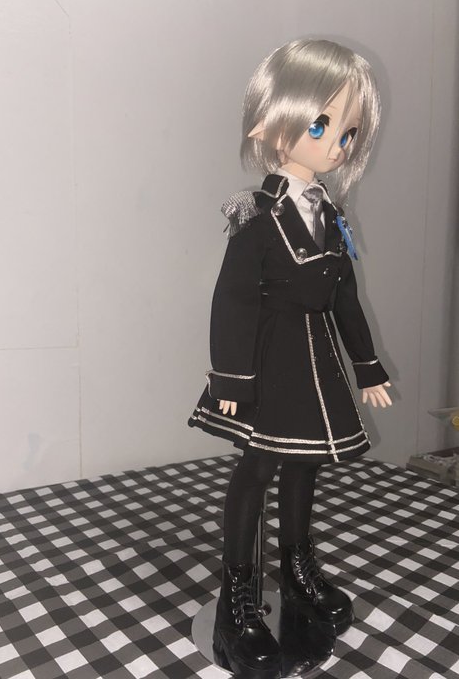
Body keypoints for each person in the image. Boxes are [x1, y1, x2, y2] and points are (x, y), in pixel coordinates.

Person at [188, 38, 393, 679]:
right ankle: (238, 599)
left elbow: (344, 297)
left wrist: (367, 367)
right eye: (322, 126)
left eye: (349, 133)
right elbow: (231, 301)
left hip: (317, 361)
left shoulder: (331, 214)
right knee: (257, 469)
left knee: (306, 464)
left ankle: (298, 571)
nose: (338, 145)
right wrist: (231, 378)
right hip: (268, 362)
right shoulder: (256, 217)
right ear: (272, 125)